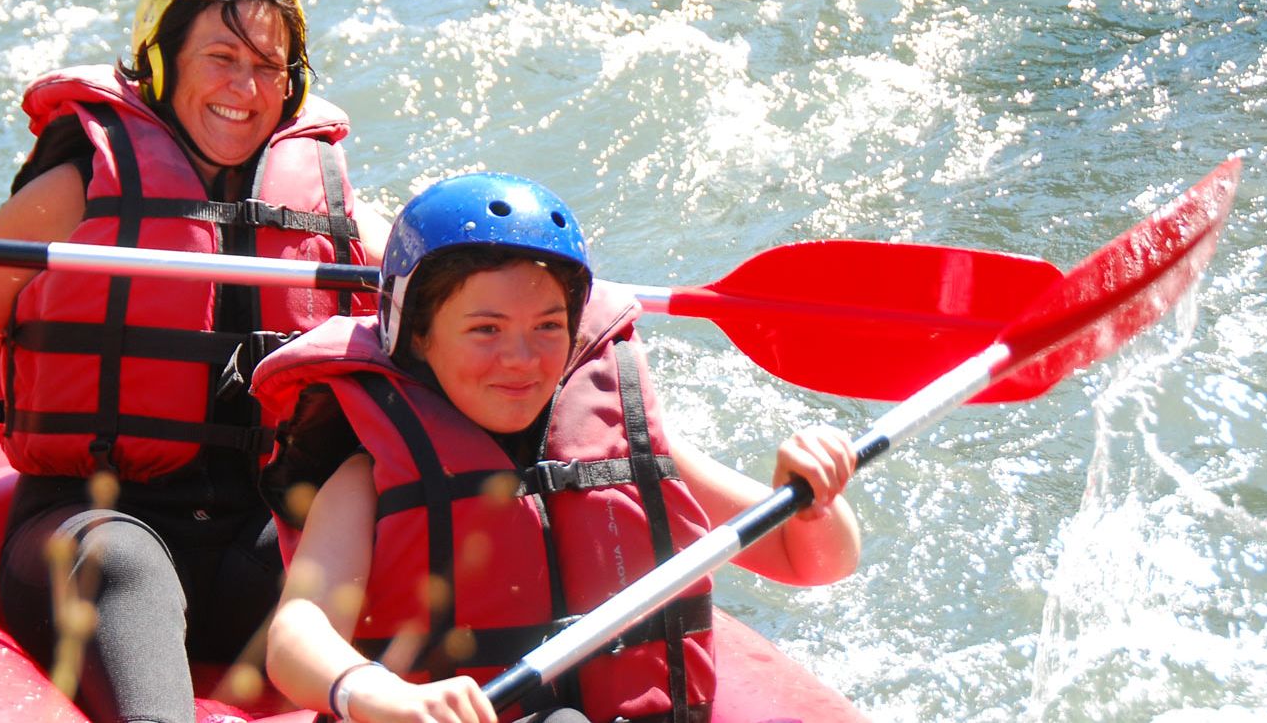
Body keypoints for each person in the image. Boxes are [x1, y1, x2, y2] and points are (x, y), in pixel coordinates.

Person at [0, 0, 379, 720]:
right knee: (124, 560)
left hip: (247, 534)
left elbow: (429, 317)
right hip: (86, 528)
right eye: (221, 57)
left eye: (269, 65)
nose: (246, 86)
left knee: (365, 539)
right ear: (161, 65)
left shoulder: (327, 209)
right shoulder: (75, 190)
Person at [251, 173, 863, 723]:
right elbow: (295, 636)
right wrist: (372, 690)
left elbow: (810, 561)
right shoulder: (366, 479)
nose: (521, 359)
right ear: (416, 336)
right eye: (485, 329)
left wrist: (813, 500)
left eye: (547, 326)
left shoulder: (627, 445)